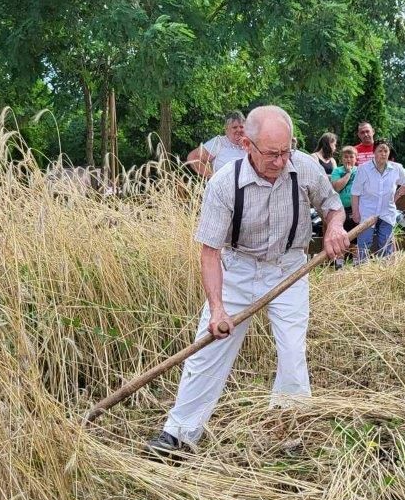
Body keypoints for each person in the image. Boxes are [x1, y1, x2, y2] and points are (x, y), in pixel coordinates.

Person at [144, 106, 349, 459]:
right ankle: (179, 434)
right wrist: (219, 308)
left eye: (287, 150)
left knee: (292, 353)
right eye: (272, 153)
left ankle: (290, 433)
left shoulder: (303, 167)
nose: (281, 161)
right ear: (246, 144)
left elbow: (333, 206)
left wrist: (334, 227)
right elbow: (210, 252)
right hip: (237, 267)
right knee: (208, 348)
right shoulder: (223, 184)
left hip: (289, 267)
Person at [351, 139, 405, 262]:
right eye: (380, 150)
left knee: (385, 244)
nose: (383, 154)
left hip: (387, 212)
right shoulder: (364, 169)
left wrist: (398, 195)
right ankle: (362, 271)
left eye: (386, 151)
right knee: (364, 243)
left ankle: (385, 272)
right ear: (374, 152)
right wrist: (356, 213)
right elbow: (355, 192)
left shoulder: (396, 168)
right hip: (367, 212)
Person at [186, 111, 248, 178]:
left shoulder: (252, 143)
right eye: (234, 127)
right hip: (225, 187)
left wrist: (249, 146)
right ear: (226, 129)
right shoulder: (219, 142)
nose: (239, 130)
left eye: (241, 127)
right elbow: (193, 157)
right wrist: (213, 177)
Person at [328, 146, 360, 268]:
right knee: (341, 238)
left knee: (355, 238)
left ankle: (357, 264)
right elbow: (336, 187)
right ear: (341, 158)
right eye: (346, 156)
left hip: (355, 209)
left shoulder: (360, 171)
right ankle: (339, 265)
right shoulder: (337, 171)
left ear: (355, 158)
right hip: (340, 210)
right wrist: (348, 174)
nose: (348, 159)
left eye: (351, 156)